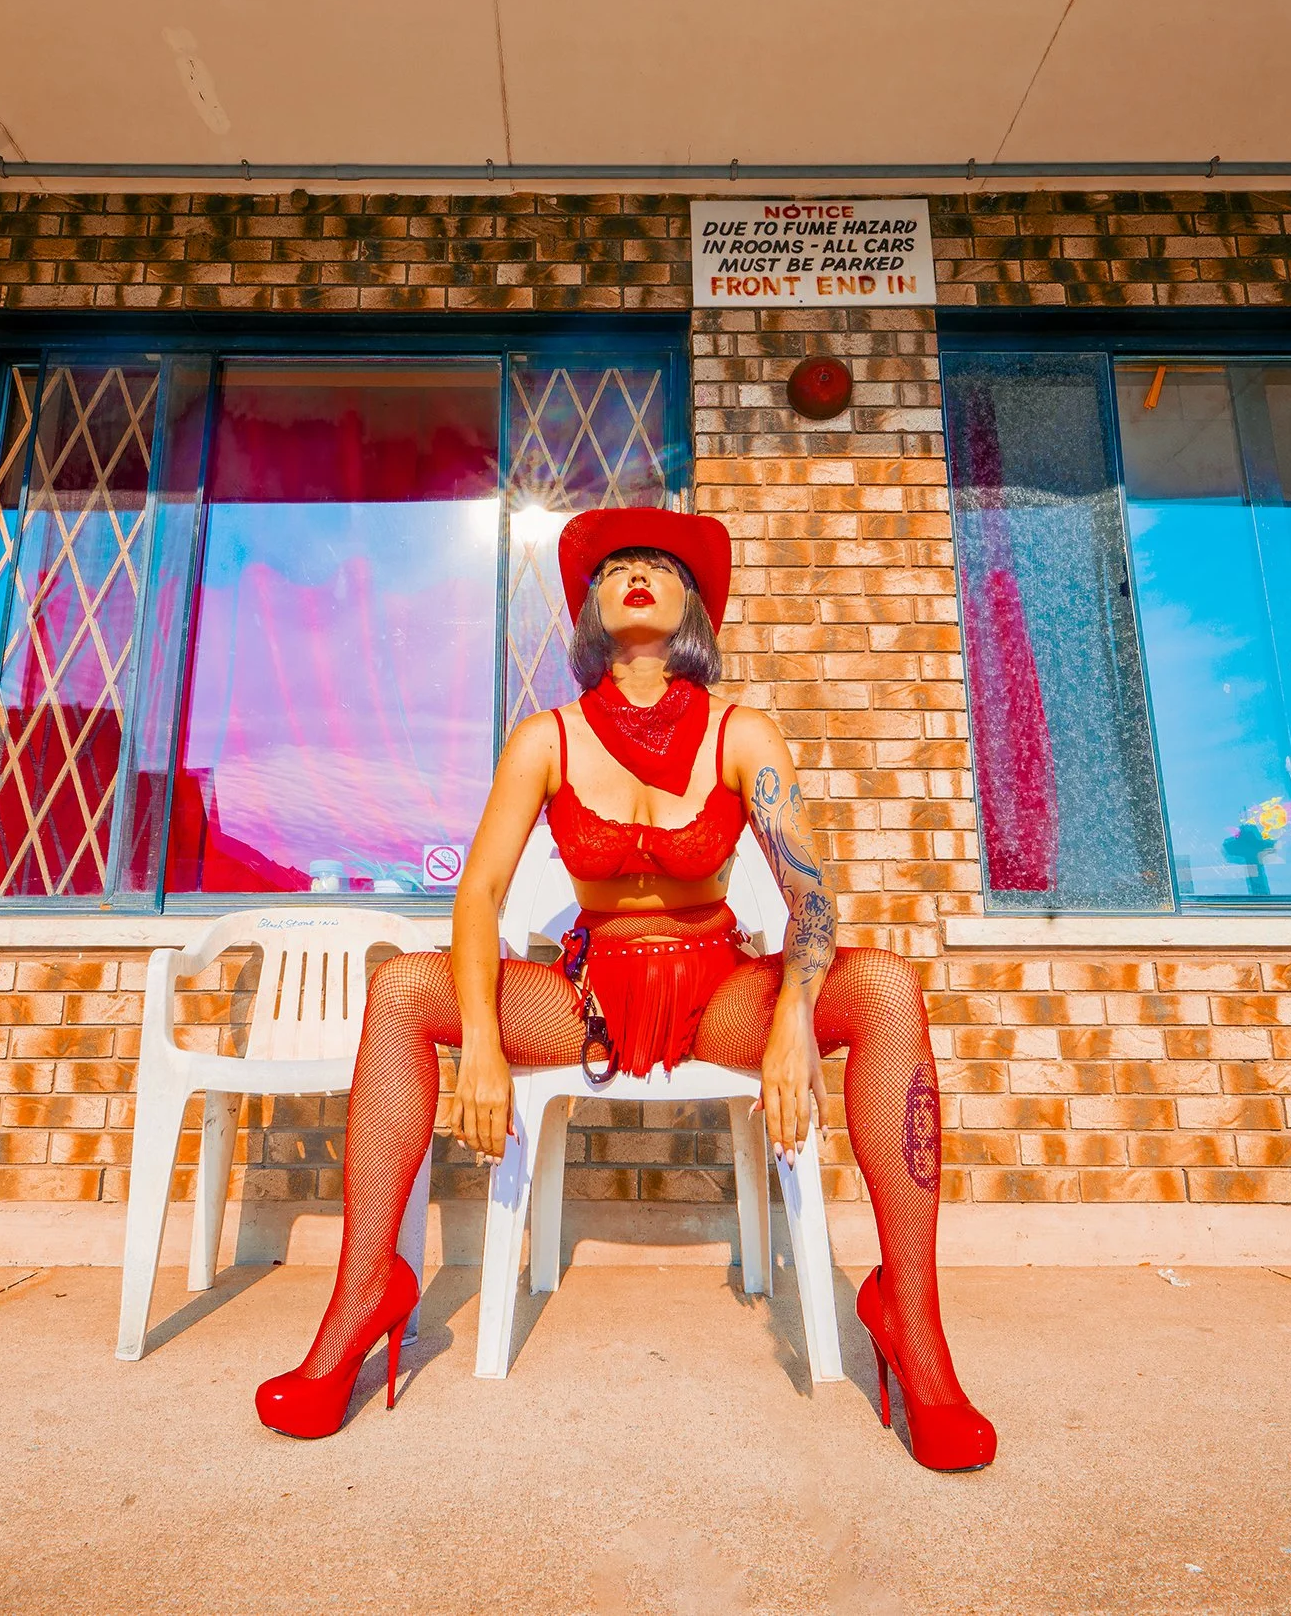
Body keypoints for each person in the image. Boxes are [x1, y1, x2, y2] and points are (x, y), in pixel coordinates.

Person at [253, 506, 996, 1472]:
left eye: (661, 565)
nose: (637, 573)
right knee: (400, 992)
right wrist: (480, 1035)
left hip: (720, 989)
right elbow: (478, 892)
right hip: (590, 995)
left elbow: (813, 901)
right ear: (591, 608)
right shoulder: (546, 738)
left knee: (889, 987)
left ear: (693, 605)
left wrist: (792, 1021)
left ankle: (915, 1323)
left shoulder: (743, 734)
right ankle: (364, 1293)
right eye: (615, 567)